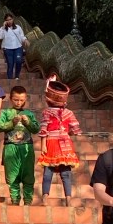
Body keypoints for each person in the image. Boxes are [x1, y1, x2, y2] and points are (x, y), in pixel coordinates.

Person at [38, 76, 81, 205]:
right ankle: (68, 198)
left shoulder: (47, 112)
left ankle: (45, 197)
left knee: (48, 172)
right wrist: (67, 133)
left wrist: (43, 145)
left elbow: (43, 130)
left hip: (51, 143)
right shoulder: (69, 113)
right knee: (65, 173)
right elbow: (75, 130)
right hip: (65, 145)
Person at [0, 86, 40, 204]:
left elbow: (36, 129)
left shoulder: (29, 114)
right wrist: (12, 123)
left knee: (28, 175)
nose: (18, 102)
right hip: (11, 147)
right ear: (11, 99)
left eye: (21, 100)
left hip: (26, 147)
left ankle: (28, 201)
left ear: (25, 99)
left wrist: (28, 122)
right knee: (12, 176)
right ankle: (15, 200)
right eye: (16, 100)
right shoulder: (6, 113)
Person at [0, 13, 27, 80]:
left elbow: (22, 36)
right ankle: (9, 78)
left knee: (19, 61)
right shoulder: (3, 29)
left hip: (18, 47)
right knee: (10, 64)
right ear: (5, 21)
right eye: (7, 20)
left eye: (10, 19)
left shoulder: (18, 27)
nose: (9, 21)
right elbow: (0, 37)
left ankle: (17, 76)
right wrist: (3, 27)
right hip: (7, 48)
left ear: (13, 19)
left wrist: (25, 40)